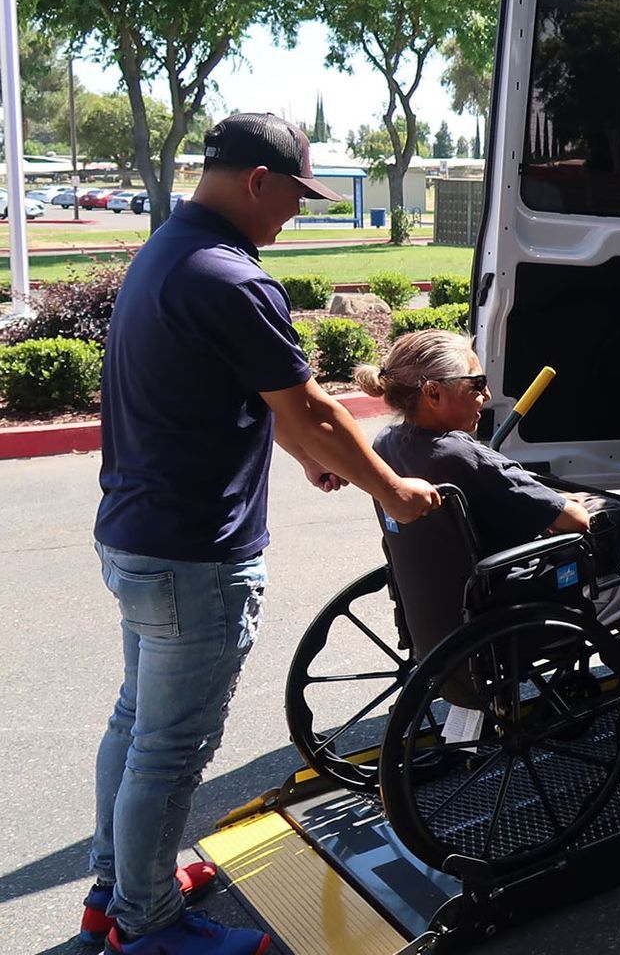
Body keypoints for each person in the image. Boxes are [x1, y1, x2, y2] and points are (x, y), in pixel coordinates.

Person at [84, 114, 442, 955]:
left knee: (136, 725)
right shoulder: (231, 276)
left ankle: (117, 886)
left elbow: (259, 400)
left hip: (136, 536)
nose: (293, 215)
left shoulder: (169, 253)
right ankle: (147, 925)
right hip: (194, 555)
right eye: (292, 197)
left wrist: (315, 457)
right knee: (169, 750)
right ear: (256, 181)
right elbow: (311, 406)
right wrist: (392, 489)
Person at [354, 329, 620, 694]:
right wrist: (584, 505)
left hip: (439, 610)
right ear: (433, 393)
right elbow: (573, 521)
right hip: (507, 607)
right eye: (476, 384)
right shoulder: (463, 456)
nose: (486, 395)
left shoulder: (386, 447)